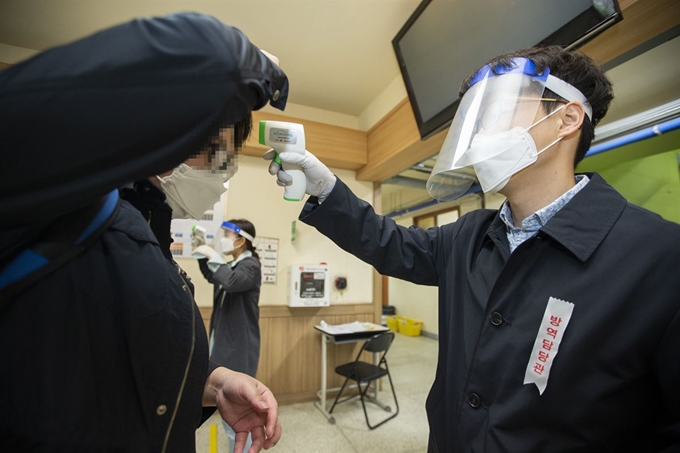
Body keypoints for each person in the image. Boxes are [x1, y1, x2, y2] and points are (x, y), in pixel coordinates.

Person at [265, 46, 680, 451]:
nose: (480, 133)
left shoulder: (659, 258)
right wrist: (327, 191)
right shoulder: (469, 234)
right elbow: (388, 242)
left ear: (566, 119)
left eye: (496, 112)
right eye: (476, 120)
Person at [0, 13, 288, 452]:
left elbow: (130, 370)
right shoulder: (65, 208)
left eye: (225, 161)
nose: (218, 174)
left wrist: (211, 383)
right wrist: (246, 68)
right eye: (214, 154)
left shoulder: (150, 236)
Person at [194, 219, 262, 453]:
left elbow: (231, 282)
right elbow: (215, 277)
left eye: (226, 234)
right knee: (228, 408)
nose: (222, 238)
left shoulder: (250, 266)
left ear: (241, 240)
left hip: (238, 347)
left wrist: (212, 255)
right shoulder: (232, 266)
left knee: (236, 409)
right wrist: (201, 252)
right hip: (222, 341)